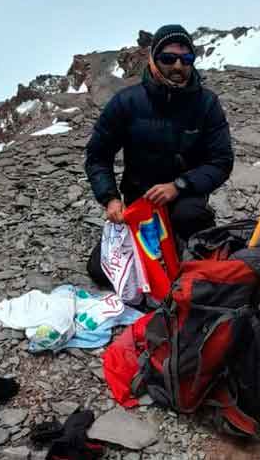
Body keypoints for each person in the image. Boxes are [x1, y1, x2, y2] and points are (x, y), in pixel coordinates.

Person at [84, 24, 234, 287]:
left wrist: (179, 186)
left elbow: (221, 161)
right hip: (139, 203)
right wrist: (110, 198)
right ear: (153, 59)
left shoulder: (207, 104)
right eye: (168, 58)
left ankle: (188, 251)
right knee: (99, 270)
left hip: (185, 200)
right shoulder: (127, 102)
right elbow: (98, 155)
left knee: (190, 236)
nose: (178, 66)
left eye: (186, 59)